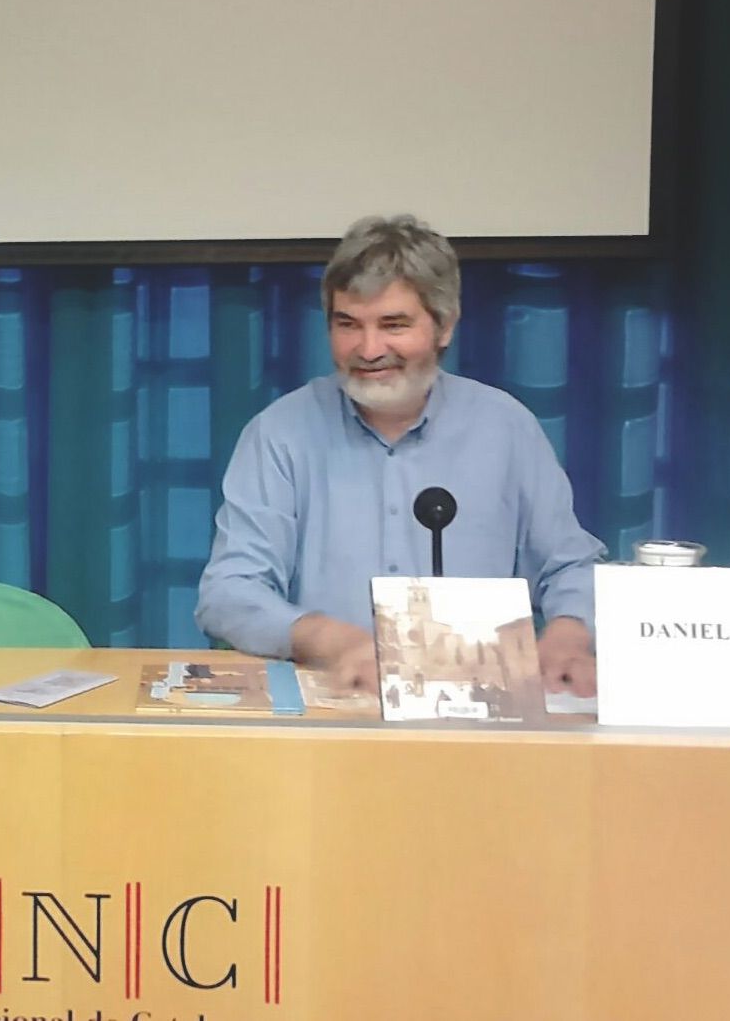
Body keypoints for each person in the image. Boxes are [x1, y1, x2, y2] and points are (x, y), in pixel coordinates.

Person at [195, 215, 605, 695]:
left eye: (393, 325)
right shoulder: (281, 433)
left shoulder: (506, 428)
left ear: (444, 326)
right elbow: (228, 592)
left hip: (478, 711)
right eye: (348, 324)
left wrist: (568, 634)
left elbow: (570, 565)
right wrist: (335, 642)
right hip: (331, 709)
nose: (368, 349)